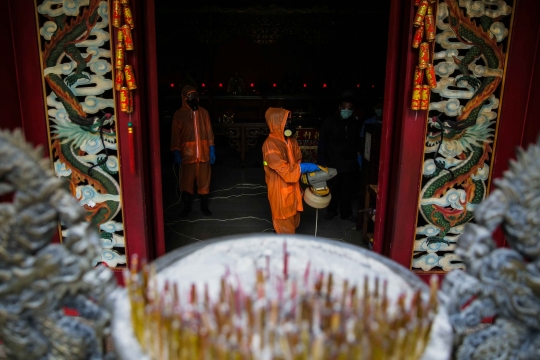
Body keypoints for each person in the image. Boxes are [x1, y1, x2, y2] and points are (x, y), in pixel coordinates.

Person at [262, 108, 320, 234]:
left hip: (293, 187)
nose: (289, 124)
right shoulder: (270, 145)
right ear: (276, 123)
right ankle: (286, 249)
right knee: (284, 221)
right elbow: (284, 170)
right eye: (285, 121)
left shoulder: (291, 141)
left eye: (289, 120)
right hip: (280, 190)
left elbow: (298, 157)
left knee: (292, 219)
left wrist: (300, 168)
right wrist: (302, 168)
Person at [170, 85, 216, 217]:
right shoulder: (179, 114)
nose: (193, 99)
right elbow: (175, 135)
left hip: (203, 153)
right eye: (190, 96)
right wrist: (176, 152)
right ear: (184, 98)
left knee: (204, 181)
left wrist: (212, 148)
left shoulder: (204, 112)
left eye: (195, 96)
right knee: (186, 182)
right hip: (187, 155)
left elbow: (209, 132)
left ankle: (204, 207)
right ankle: (186, 207)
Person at [317, 95, 362, 221]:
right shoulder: (330, 121)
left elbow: (358, 143)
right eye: (344, 108)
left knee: (347, 191)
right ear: (339, 108)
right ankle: (331, 211)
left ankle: (345, 213)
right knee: (333, 189)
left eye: (349, 109)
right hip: (332, 162)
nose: (346, 111)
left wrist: (358, 160)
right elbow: (322, 142)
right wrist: (322, 162)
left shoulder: (355, 123)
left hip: (349, 164)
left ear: (353, 110)